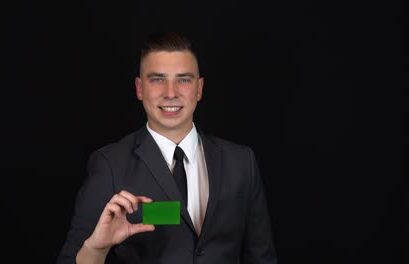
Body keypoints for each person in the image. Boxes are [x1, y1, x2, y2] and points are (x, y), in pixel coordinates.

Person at [57, 32, 277, 264]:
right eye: (157, 79)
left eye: (183, 79)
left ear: (199, 88)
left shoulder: (241, 162)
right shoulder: (110, 164)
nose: (171, 93)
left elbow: (262, 258)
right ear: (140, 88)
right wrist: (96, 249)